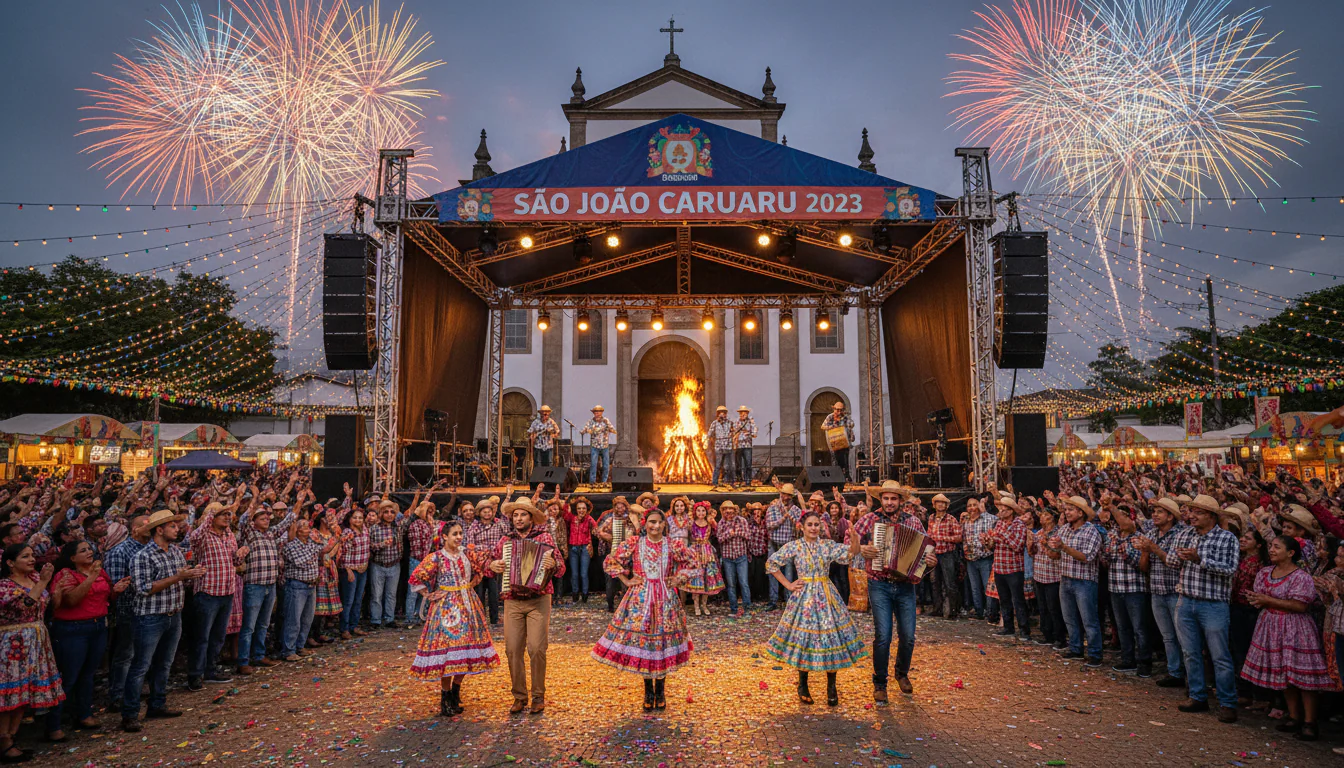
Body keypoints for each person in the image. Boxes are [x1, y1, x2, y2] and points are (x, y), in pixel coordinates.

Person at [1137, 494, 1240, 723]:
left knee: (1219, 655)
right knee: (1190, 652)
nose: (1192, 516)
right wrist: (1159, 551)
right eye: (1191, 512)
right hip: (1186, 600)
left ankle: (1227, 702)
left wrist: (1199, 558)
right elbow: (1172, 561)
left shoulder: (1226, 538)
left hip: (1213, 604)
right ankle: (1197, 696)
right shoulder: (1185, 534)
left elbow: (1230, 568)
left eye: (1198, 512)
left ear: (1211, 516)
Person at [592, 509, 695, 710]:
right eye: (651, 522)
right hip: (640, 599)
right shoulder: (635, 543)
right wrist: (627, 580)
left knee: (662, 642)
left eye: (659, 523)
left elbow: (693, 562)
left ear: (665, 524)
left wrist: (677, 578)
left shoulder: (672, 544)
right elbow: (611, 561)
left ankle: (661, 690)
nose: (655, 526)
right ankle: (648, 690)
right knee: (645, 642)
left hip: (665, 599)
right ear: (645, 523)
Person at [767, 510, 868, 706]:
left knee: (831, 638)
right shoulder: (794, 546)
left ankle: (831, 685)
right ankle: (803, 684)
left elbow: (850, 554)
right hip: (804, 597)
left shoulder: (827, 545)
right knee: (805, 638)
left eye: (817, 525)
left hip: (826, 594)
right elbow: (772, 563)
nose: (814, 528)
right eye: (810, 525)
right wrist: (788, 585)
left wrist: (855, 539)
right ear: (802, 527)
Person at [1241, 535, 1333, 741]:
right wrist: (1258, 600)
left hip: (1295, 628)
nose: (1271, 550)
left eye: (1277, 547)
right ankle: (1294, 716)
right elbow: (1260, 597)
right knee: (1283, 673)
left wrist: (1267, 600)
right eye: (1271, 546)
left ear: (1291, 553)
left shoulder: (1301, 577)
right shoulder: (1265, 572)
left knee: (1302, 675)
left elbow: (1301, 605)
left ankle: (1310, 722)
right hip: (1271, 625)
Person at [852, 481, 938, 699]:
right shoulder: (870, 519)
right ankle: (880, 684)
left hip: (905, 585)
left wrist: (930, 561)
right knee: (883, 635)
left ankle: (902, 674)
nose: (889, 503)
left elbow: (925, 554)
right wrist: (862, 549)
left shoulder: (914, 522)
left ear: (901, 501)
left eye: (893, 499)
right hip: (878, 583)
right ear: (881, 500)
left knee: (908, 636)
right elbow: (849, 539)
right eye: (886, 498)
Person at [123, 509, 205, 733]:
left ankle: (157, 704)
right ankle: (130, 714)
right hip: (150, 617)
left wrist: (191, 575)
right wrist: (179, 577)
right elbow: (143, 588)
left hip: (173, 614)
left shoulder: (175, 552)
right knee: (141, 666)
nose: (177, 529)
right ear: (159, 530)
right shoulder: (143, 556)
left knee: (164, 664)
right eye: (172, 526)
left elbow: (179, 580)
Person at [408, 520, 499, 717]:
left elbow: (482, 567)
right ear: (444, 537)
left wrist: (473, 582)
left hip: (467, 604)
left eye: (460, 533)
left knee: (465, 650)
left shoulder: (467, 553)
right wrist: (428, 594)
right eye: (455, 534)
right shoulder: (437, 557)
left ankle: (456, 692)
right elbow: (416, 576)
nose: (459, 537)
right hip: (447, 608)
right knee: (448, 652)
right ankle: (445, 695)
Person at [488, 496, 564, 715]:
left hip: (538, 599)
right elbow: (489, 563)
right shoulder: (505, 541)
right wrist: (493, 565)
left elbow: (560, 568)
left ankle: (538, 696)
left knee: (537, 648)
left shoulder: (545, 537)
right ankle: (519, 696)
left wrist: (553, 563)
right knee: (512, 649)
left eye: (523, 514)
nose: (518, 518)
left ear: (531, 517)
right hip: (513, 599)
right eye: (515, 515)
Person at [47, 540, 127, 737]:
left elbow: (107, 596)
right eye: (82, 550)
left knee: (88, 674)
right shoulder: (65, 575)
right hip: (73, 629)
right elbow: (72, 600)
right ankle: (53, 724)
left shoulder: (100, 571)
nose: (89, 552)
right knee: (69, 676)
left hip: (98, 625)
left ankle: (84, 714)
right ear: (72, 557)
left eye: (89, 549)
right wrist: (90, 577)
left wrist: (116, 590)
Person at [0, 544, 62, 758]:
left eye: (32, 555)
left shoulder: (34, 579)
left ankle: (12, 736)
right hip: (12, 644)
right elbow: (26, 604)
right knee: (10, 693)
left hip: (35, 639)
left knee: (24, 692)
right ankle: (4, 740)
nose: (31, 559)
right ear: (10, 562)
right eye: (25, 556)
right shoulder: (4, 586)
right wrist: (45, 580)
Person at [187, 501, 245, 690]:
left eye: (229, 514)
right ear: (212, 517)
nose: (228, 517)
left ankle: (210, 671)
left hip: (227, 591)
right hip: (208, 592)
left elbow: (234, 562)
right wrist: (212, 512)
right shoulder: (203, 535)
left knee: (218, 636)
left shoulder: (229, 535)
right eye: (223, 514)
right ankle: (195, 675)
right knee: (201, 637)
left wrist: (241, 555)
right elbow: (193, 538)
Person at [1139, 497, 1190, 688]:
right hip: (1157, 591)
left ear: (1170, 516)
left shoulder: (1181, 534)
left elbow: (1174, 562)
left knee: (1183, 636)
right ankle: (1174, 672)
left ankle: (1188, 674)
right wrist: (1145, 552)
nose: (1154, 515)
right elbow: (1144, 567)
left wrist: (1153, 548)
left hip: (1176, 591)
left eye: (1160, 512)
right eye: (1154, 511)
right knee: (1167, 636)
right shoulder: (1151, 533)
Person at [236, 502, 293, 673]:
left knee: (263, 624)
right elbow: (243, 521)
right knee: (249, 626)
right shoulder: (250, 533)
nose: (267, 520)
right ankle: (243, 661)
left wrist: (297, 503)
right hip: (254, 585)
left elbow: (286, 522)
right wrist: (253, 502)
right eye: (263, 518)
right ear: (254, 521)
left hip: (270, 584)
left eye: (268, 517)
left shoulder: (271, 534)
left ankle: (259, 656)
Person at [1048, 495, 1104, 667]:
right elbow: (1055, 555)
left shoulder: (1091, 531)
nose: (1067, 512)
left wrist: (1063, 547)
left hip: (1084, 581)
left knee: (1089, 620)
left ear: (1081, 513)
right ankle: (1076, 649)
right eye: (1066, 509)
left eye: (1071, 510)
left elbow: (1087, 557)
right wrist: (1050, 547)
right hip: (1065, 578)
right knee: (1070, 618)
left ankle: (1095, 653)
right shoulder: (1064, 529)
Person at [102, 511, 150, 711]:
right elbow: (115, 587)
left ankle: (134, 691)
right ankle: (117, 695)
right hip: (129, 610)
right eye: (147, 524)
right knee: (125, 654)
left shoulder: (152, 549)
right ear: (135, 529)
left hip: (149, 610)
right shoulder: (120, 551)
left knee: (143, 654)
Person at [280, 518, 338, 662]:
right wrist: (315, 552)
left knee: (307, 619)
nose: (309, 529)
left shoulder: (311, 544)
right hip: (297, 585)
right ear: (298, 530)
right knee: (294, 619)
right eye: (305, 527)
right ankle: (288, 650)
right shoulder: (291, 546)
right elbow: (301, 562)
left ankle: (300, 646)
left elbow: (324, 550)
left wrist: (337, 537)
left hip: (311, 585)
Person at [1104, 505, 1152, 676]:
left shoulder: (1140, 538)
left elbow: (1142, 566)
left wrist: (1125, 551)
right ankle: (1128, 659)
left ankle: (1145, 662)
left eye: (1124, 516)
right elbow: (1106, 559)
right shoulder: (1111, 535)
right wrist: (1108, 553)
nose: (1119, 520)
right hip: (1115, 586)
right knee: (1123, 626)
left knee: (1139, 627)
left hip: (1135, 588)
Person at [987, 495, 1030, 640]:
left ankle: (1024, 630)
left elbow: (1017, 546)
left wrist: (1003, 534)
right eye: (1001, 510)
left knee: (1018, 600)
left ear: (1011, 511)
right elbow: (994, 545)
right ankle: (1008, 628)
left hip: (1014, 569)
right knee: (1004, 600)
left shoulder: (1019, 525)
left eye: (1004, 510)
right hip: (999, 567)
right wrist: (988, 541)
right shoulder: (999, 524)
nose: (1001, 512)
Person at [367, 500, 411, 630]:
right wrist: (381, 545)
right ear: (381, 513)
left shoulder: (398, 527)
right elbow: (369, 546)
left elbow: (411, 515)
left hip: (394, 564)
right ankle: (375, 620)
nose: (389, 514)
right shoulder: (374, 528)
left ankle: (389, 619)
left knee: (391, 594)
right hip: (378, 565)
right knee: (376, 595)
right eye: (386, 512)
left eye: (392, 512)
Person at [1029, 505, 1065, 649]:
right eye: (1042, 515)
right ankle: (1047, 635)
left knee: (1054, 609)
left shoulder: (1058, 533)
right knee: (1043, 607)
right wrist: (1030, 544)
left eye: (1045, 515)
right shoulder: (1039, 533)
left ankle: (1060, 637)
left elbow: (1056, 555)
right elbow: (1032, 553)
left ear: (1052, 517)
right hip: (1039, 575)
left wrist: (1044, 544)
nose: (1042, 517)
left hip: (1053, 576)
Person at [682, 502, 725, 616]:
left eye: (703, 510)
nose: (701, 513)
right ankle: (696, 606)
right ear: (695, 512)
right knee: (697, 579)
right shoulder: (691, 523)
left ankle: (704, 605)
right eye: (698, 510)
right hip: (695, 551)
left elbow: (719, 531)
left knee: (707, 579)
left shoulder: (710, 523)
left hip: (707, 551)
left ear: (706, 512)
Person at [764, 484, 802, 610]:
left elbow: (799, 527)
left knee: (789, 575)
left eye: (788, 495)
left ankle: (789, 601)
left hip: (789, 547)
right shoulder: (773, 508)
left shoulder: (796, 510)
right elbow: (769, 526)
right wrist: (784, 517)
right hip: (774, 545)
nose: (786, 497)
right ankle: (773, 601)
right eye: (784, 494)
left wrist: (794, 522)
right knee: (773, 573)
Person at [925, 494, 962, 621]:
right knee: (935, 582)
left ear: (946, 506)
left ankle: (953, 611)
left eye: (943, 503)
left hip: (947, 554)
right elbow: (929, 535)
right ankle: (938, 609)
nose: (940, 505)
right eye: (938, 502)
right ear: (934, 505)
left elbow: (958, 538)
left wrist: (942, 538)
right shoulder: (931, 518)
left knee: (949, 582)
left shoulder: (951, 519)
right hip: (934, 554)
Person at [337, 506, 371, 637]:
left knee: (358, 599)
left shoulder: (365, 530)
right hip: (350, 570)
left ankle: (354, 625)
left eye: (360, 518)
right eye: (355, 517)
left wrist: (366, 564)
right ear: (350, 519)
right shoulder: (347, 532)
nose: (358, 520)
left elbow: (367, 549)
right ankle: (344, 628)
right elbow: (342, 553)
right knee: (348, 600)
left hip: (363, 569)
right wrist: (348, 569)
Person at [961, 498, 995, 621]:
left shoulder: (987, 518)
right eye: (969, 505)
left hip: (985, 558)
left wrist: (983, 511)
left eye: (974, 505)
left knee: (988, 586)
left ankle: (991, 613)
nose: (971, 508)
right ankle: (979, 612)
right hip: (970, 559)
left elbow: (996, 520)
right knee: (974, 587)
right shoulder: (965, 521)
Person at [716, 500, 752, 617]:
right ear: (723, 511)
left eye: (731, 510)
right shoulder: (721, 523)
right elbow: (719, 539)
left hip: (741, 556)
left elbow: (748, 536)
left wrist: (737, 532)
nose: (729, 513)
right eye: (726, 511)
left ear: (734, 510)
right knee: (731, 585)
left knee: (744, 583)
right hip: (728, 558)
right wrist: (728, 534)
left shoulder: (742, 521)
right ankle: (734, 609)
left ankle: (747, 609)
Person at [563, 497, 596, 604]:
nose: (581, 510)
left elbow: (597, 529)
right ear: (576, 509)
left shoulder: (589, 519)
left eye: (583, 508)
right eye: (579, 508)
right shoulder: (572, 518)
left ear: (587, 509)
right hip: (573, 548)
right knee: (574, 574)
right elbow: (564, 514)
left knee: (584, 573)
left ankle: (585, 594)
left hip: (585, 548)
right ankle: (575, 594)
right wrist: (566, 502)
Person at [581, 405, 617, 486]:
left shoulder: (606, 421)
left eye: (599, 412)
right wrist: (586, 431)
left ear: (601, 413)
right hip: (595, 446)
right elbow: (585, 429)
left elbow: (613, 430)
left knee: (606, 465)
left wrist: (608, 429)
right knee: (593, 464)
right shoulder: (591, 421)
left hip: (604, 446)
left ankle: (604, 482)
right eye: (596, 412)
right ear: (594, 413)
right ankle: (592, 482)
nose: (597, 413)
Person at [820, 401, 856, 482]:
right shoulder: (830, 417)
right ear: (834, 409)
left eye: (841, 410)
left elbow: (851, 424)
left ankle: (847, 477)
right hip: (834, 443)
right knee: (835, 459)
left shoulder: (845, 417)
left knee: (846, 459)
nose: (839, 412)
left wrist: (848, 428)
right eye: (837, 410)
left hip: (844, 442)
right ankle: (836, 478)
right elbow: (823, 426)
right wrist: (834, 426)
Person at [706, 406, 735, 488]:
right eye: (720, 412)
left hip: (728, 446)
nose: (722, 414)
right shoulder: (714, 423)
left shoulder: (730, 423)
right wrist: (708, 441)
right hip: (719, 446)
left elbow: (734, 432)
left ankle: (726, 481)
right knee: (718, 465)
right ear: (718, 414)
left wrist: (731, 435)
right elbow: (709, 434)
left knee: (727, 466)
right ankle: (715, 481)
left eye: (724, 412)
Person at [733, 406, 757, 488]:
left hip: (747, 446)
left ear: (747, 413)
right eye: (741, 412)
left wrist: (748, 433)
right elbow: (733, 432)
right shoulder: (736, 422)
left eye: (744, 412)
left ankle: (748, 482)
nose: (742, 414)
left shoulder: (751, 422)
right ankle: (739, 481)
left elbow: (755, 433)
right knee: (738, 465)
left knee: (748, 465)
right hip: (738, 445)